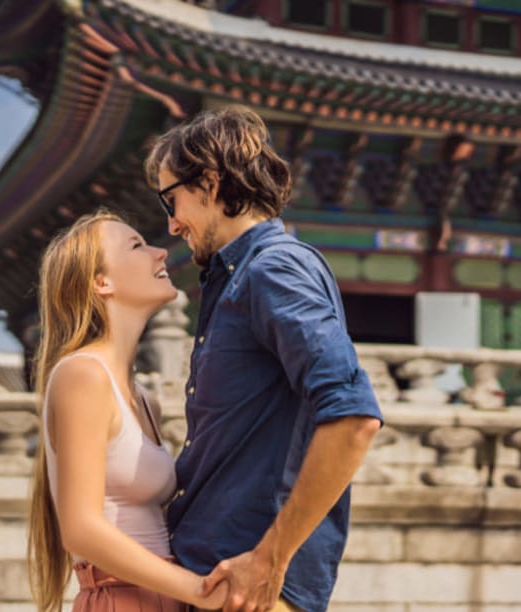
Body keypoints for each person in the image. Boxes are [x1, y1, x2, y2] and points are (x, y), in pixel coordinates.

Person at [144, 106, 383, 612]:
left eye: (172, 199)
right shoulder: (239, 276)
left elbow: (354, 416)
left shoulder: (273, 269)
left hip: (248, 588)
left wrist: (270, 559)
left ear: (209, 181)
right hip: (220, 580)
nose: (172, 224)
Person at [27, 211, 228, 612]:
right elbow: (81, 529)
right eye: (137, 246)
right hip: (122, 598)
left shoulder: (144, 399)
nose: (159, 253)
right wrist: (201, 591)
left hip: (164, 597)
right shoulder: (82, 374)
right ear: (102, 282)